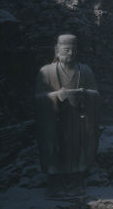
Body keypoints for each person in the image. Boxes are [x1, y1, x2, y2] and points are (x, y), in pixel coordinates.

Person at [35, 34, 100, 197]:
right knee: (54, 148)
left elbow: (96, 94)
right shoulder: (46, 71)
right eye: (66, 50)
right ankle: (55, 183)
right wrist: (56, 96)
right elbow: (38, 98)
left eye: (73, 50)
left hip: (77, 120)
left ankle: (76, 181)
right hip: (55, 120)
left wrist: (84, 94)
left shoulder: (85, 71)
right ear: (57, 51)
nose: (70, 53)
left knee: (77, 151)